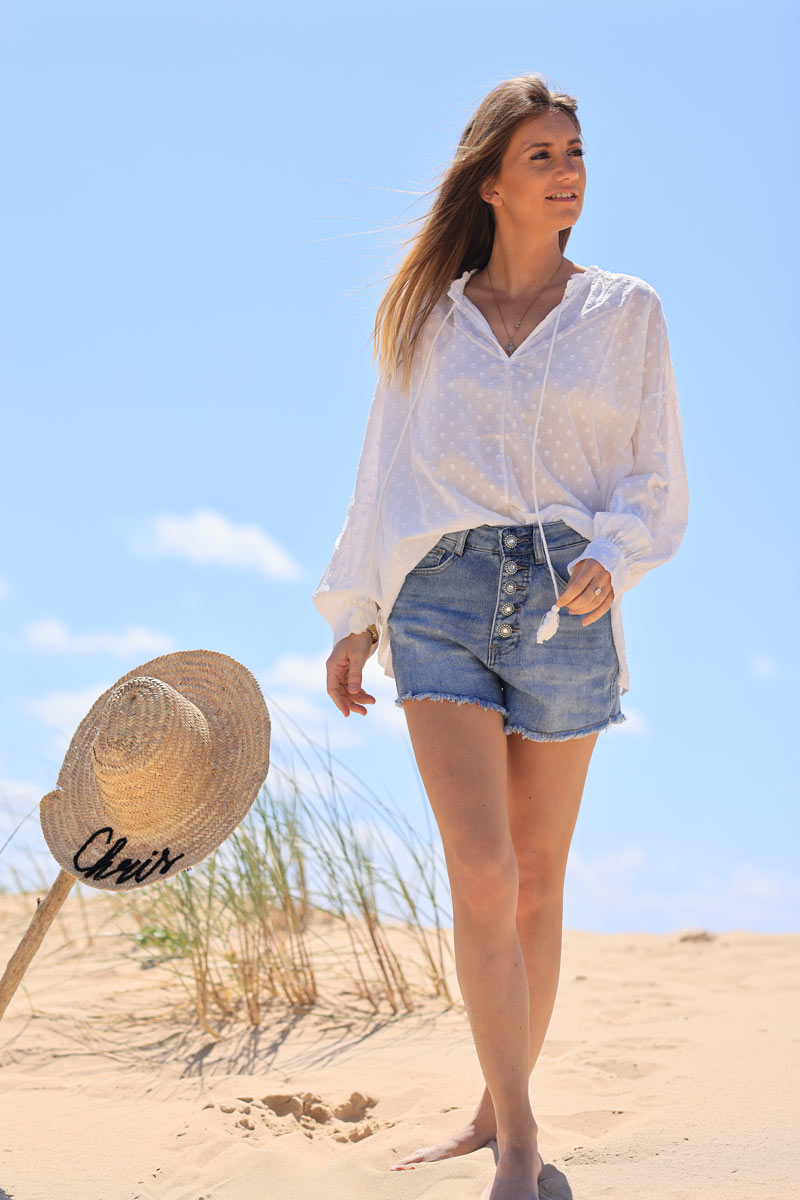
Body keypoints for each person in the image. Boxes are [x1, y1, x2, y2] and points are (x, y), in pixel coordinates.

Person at [312, 73, 689, 1200]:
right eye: (540, 154)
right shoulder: (426, 319)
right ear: (490, 180)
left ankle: (492, 1101)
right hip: (436, 600)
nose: (567, 169)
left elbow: (653, 477)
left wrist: (611, 559)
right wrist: (353, 615)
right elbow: (384, 471)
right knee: (479, 870)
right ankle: (518, 1142)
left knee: (534, 884)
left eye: (574, 152)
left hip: (568, 602)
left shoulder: (625, 312)